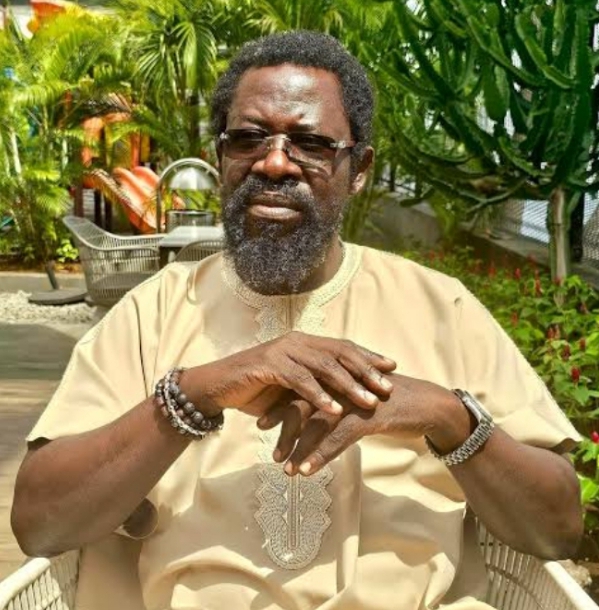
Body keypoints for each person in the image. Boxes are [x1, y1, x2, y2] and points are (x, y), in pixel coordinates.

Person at [12, 31, 582, 610]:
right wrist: (196, 395)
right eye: (249, 138)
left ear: (359, 169)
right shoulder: (153, 312)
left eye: (310, 142)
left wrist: (446, 416)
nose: (275, 162)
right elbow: (40, 524)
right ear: (221, 157)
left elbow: (557, 530)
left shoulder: (442, 308)